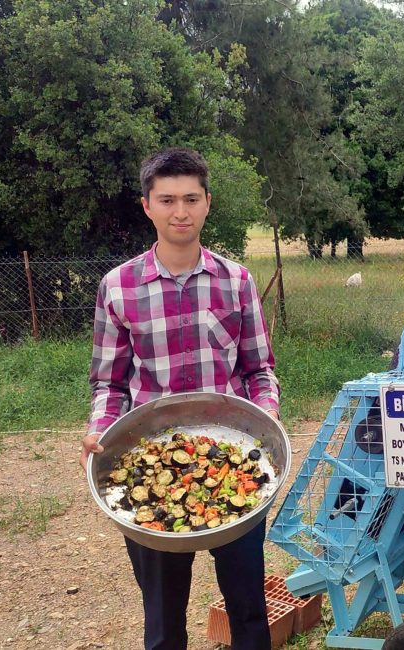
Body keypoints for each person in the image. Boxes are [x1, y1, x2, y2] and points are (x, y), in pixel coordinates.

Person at [79, 147, 280, 650]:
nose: (180, 212)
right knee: (163, 619)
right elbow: (110, 382)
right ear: (147, 205)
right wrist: (101, 428)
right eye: (167, 200)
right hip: (150, 456)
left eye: (191, 198)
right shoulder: (118, 288)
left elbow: (259, 369)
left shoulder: (236, 281)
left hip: (232, 459)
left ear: (208, 202)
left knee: (249, 612)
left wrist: (268, 420)